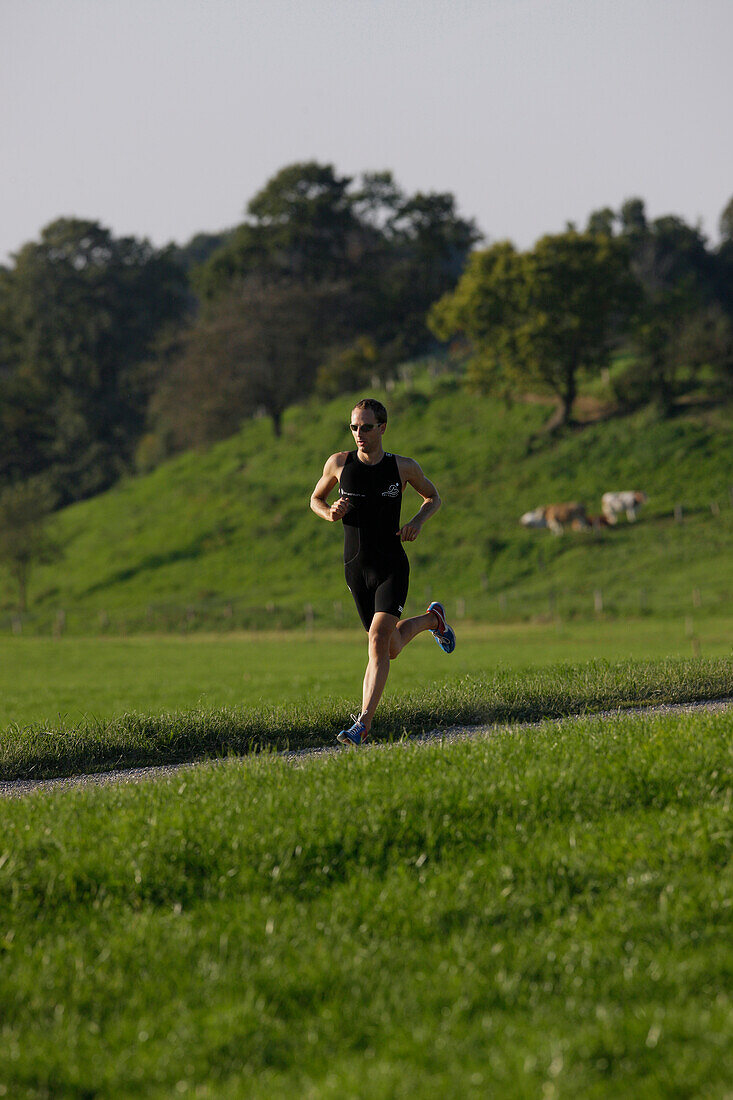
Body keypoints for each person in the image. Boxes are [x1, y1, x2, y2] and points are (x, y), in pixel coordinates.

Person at [310, 397, 455, 746]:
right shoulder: (339, 463)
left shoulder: (402, 467)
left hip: (391, 565)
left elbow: (433, 497)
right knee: (388, 647)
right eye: (354, 427)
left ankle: (363, 723)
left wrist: (417, 522)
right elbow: (314, 499)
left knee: (376, 642)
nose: (359, 433)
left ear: (383, 428)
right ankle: (433, 620)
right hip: (356, 571)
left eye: (367, 427)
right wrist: (330, 511)